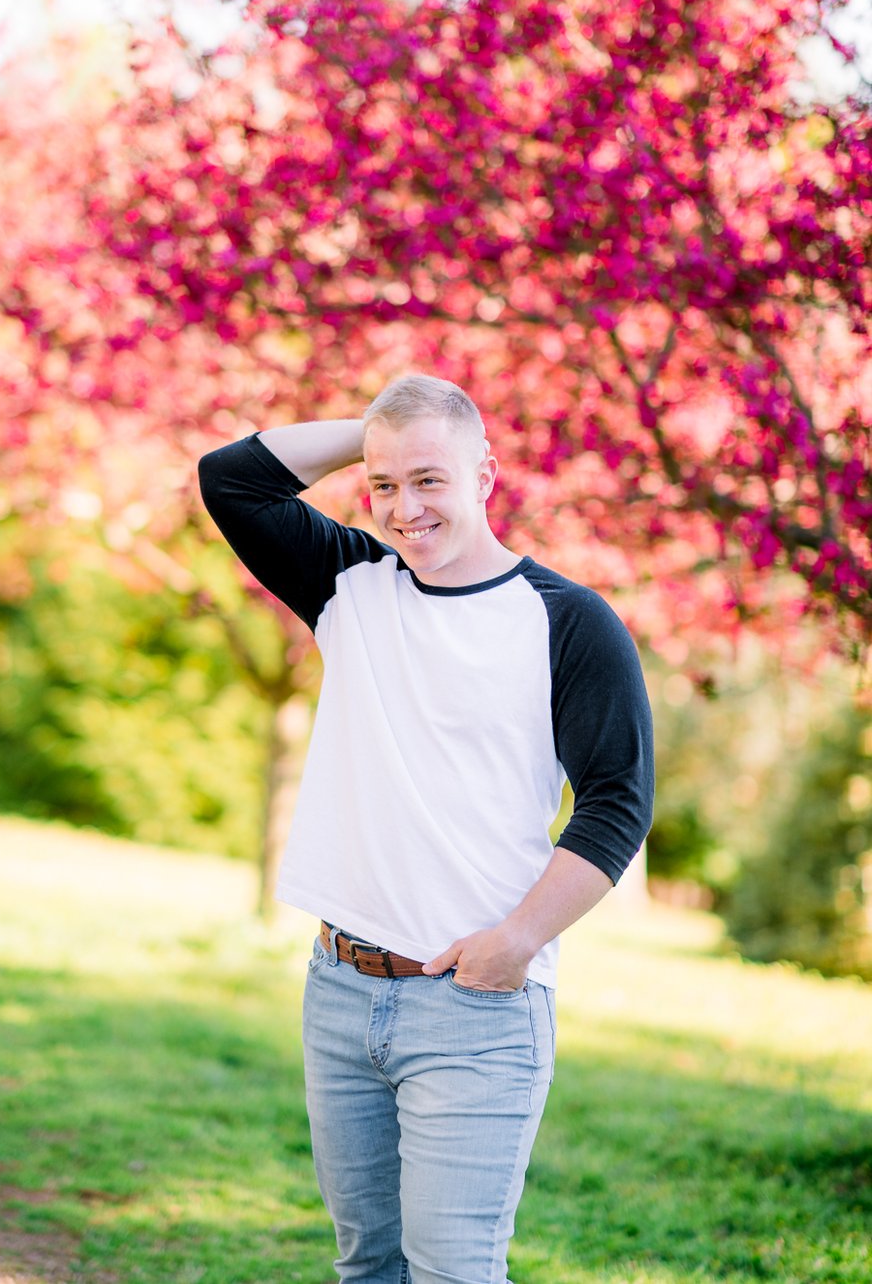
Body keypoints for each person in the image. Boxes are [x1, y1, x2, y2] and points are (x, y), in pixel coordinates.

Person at [198, 373, 654, 1284]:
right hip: (341, 988)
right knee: (367, 1265)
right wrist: (380, 432)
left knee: (452, 1270)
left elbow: (617, 801)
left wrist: (515, 942)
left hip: (478, 1007)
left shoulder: (568, 622)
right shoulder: (349, 587)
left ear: (487, 475)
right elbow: (231, 479)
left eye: (431, 480)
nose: (405, 510)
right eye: (384, 486)